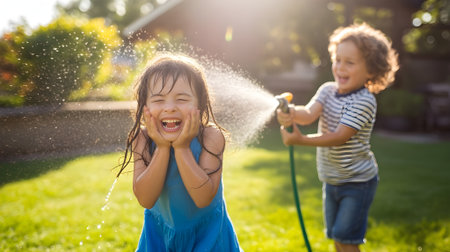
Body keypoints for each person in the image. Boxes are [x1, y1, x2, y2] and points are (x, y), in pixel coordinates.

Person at [277, 23, 399, 252]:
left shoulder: (364, 101)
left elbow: (339, 137)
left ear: (371, 70)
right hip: (330, 179)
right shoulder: (327, 90)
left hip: (357, 182)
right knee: (336, 236)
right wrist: (291, 112)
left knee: (347, 238)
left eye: (350, 63)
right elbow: (309, 114)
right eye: (338, 60)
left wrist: (301, 141)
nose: (340, 68)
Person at [117, 54, 242, 251]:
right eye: (158, 100)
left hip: (208, 237)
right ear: (145, 105)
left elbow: (203, 199)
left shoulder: (210, 137)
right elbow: (145, 199)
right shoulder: (142, 138)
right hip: (158, 236)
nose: (170, 108)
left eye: (182, 99)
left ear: (199, 104)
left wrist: (182, 147)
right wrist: (163, 147)